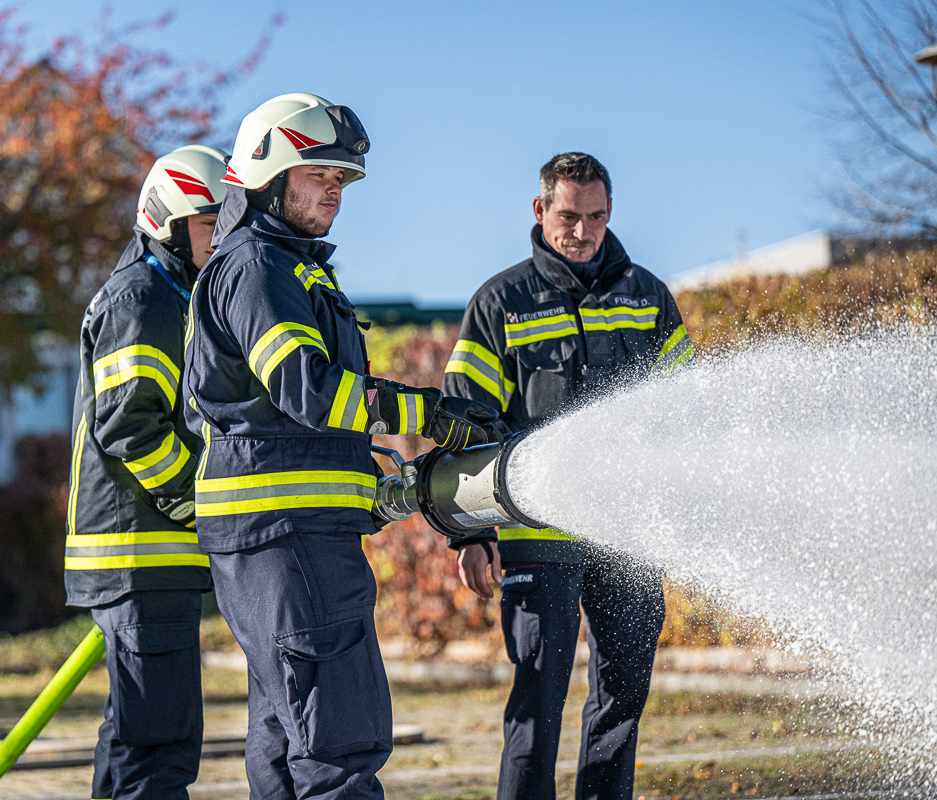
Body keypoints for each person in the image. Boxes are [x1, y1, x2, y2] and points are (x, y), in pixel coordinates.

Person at [182, 92, 503, 800]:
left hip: (281, 540)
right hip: (292, 541)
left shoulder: (280, 266)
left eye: (340, 180)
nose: (333, 191)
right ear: (268, 173)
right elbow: (308, 388)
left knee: (287, 740)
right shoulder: (261, 266)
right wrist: (432, 415)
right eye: (316, 175)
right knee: (337, 744)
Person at [442, 152, 695, 800]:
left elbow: (689, 408)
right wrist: (470, 532)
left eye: (597, 218)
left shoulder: (648, 296)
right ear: (539, 210)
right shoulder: (501, 303)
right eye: (569, 217)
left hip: (628, 536)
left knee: (622, 699)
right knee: (537, 707)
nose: (583, 233)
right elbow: (466, 422)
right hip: (536, 534)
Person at [64, 145, 230, 800]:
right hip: (142, 555)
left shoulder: (169, 295)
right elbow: (130, 425)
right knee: (160, 752)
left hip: (144, 558)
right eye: (210, 225)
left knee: (134, 737)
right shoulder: (145, 300)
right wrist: (203, 504)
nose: (221, 241)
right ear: (167, 220)